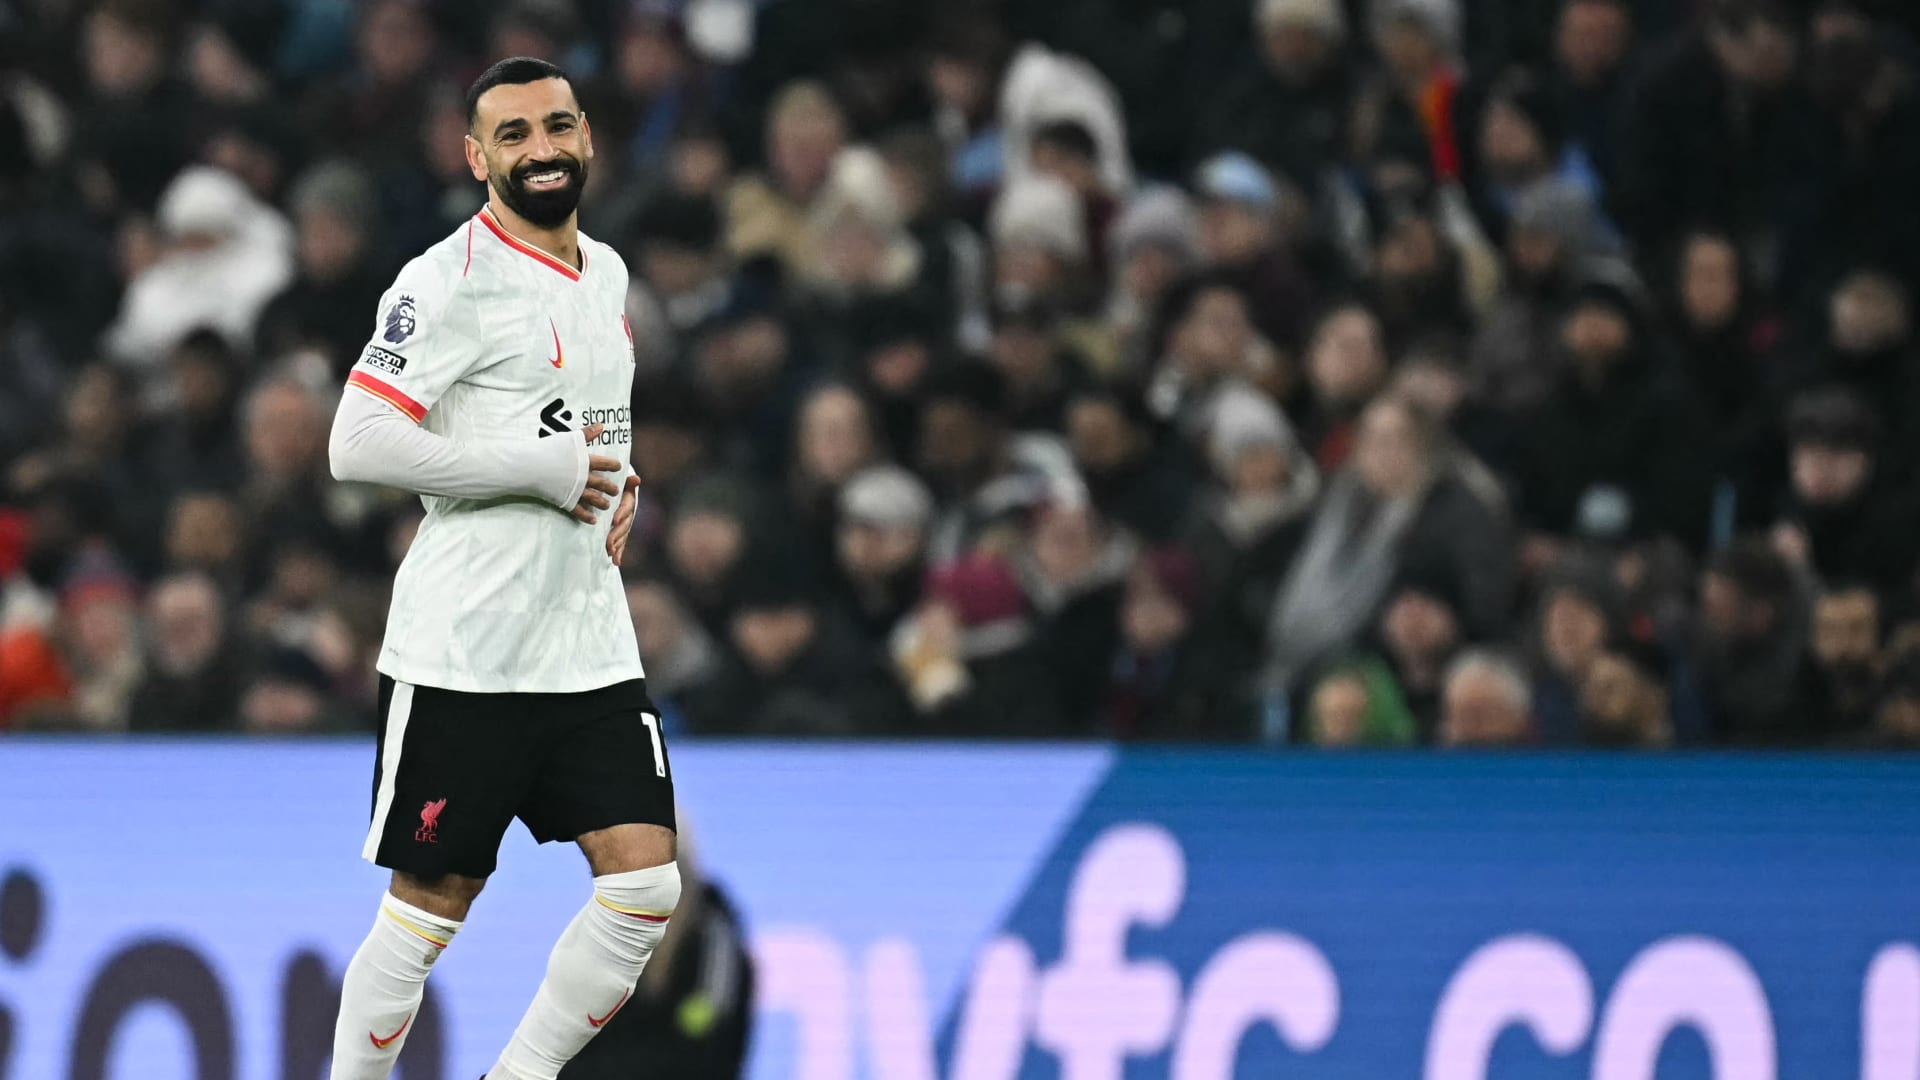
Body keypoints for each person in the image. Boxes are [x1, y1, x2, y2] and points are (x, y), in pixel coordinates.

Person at [323, 58, 681, 1080]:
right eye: (513, 135)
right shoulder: (444, 282)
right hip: (467, 653)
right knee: (429, 912)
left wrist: (618, 478)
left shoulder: (607, 274)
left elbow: (583, 422)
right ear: (476, 159)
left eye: (557, 126)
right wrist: (535, 470)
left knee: (645, 887)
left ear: (588, 138)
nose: (541, 149)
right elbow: (356, 443)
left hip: (587, 643)